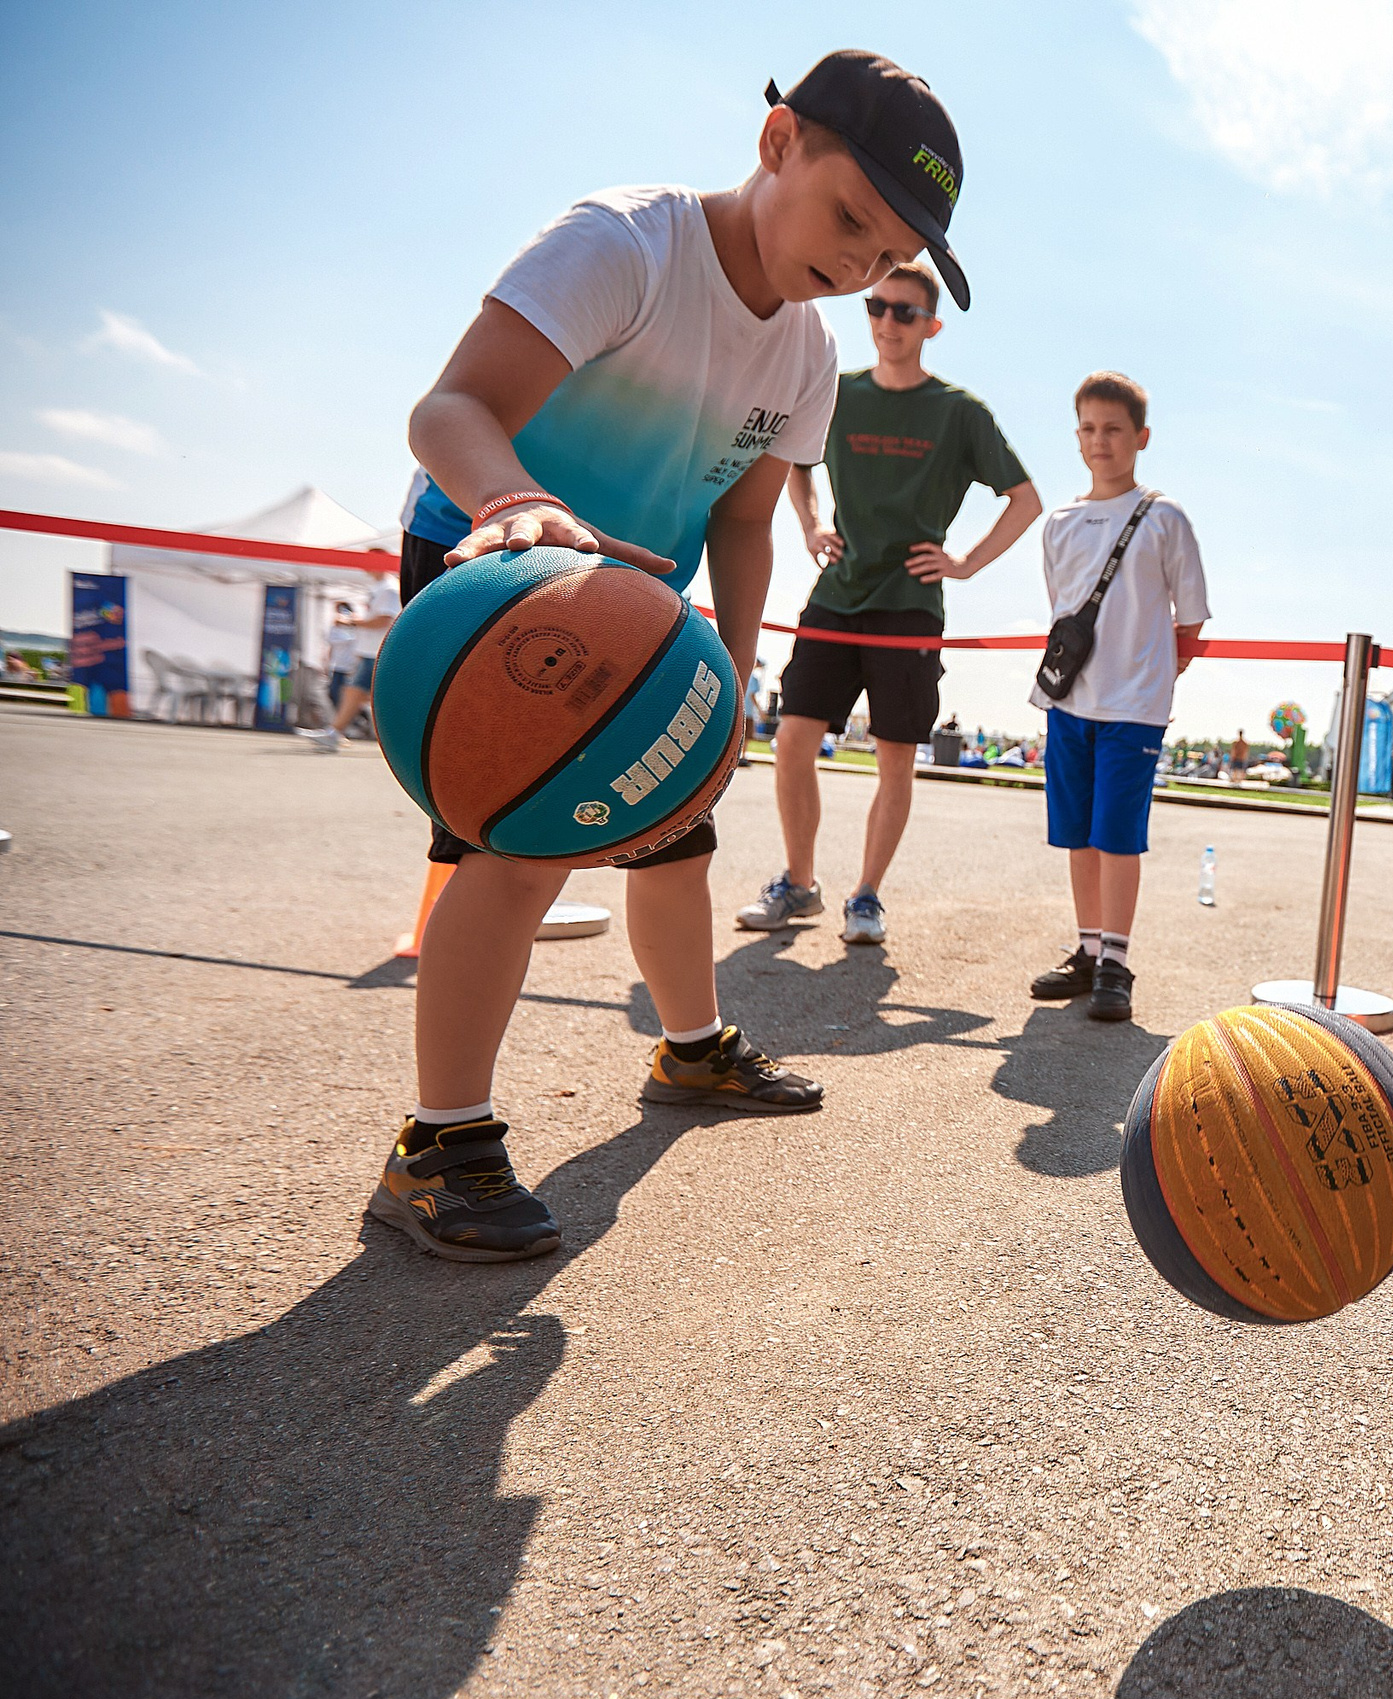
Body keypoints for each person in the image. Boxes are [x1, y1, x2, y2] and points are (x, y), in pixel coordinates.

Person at [370, 50, 968, 1263]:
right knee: (518, 851)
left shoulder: (803, 354)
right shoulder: (624, 247)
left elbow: (746, 521)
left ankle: (691, 1049)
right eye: (849, 218)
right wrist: (512, 500)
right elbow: (447, 412)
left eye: (884, 253)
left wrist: (731, 684)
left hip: (642, 614)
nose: (858, 265)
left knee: (674, 830)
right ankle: (438, 1144)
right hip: (494, 567)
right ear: (777, 144)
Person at [736, 258, 1040, 944]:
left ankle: (866, 896)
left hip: (910, 605)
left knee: (894, 755)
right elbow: (792, 462)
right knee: (791, 741)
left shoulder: (960, 412)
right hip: (837, 595)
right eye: (877, 307)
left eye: (904, 312)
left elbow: (1025, 501)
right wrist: (811, 523)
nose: (888, 322)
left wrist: (963, 562)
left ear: (931, 325)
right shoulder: (836, 391)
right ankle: (798, 882)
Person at [1025, 372, 1209, 1022]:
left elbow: (1190, 624)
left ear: (1141, 437)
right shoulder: (1059, 523)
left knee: (1118, 837)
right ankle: (1087, 948)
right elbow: (1063, 612)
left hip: (1133, 710)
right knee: (1077, 835)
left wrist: (1151, 679)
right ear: (1077, 435)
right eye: (1089, 428)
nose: (1100, 441)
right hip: (1070, 703)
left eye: (1114, 429)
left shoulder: (1165, 517)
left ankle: (1117, 962)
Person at [299, 570, 399, 751]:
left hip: (378, 651)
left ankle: (336, 732)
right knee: (356, 691)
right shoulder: (382, 587)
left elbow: (384, 620)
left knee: (365, 693)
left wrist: (351, 622)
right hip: (373, 651)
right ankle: (335, 732)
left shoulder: (389, 589)